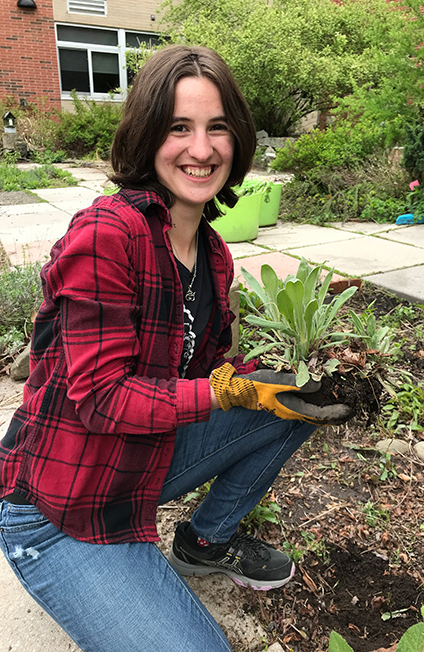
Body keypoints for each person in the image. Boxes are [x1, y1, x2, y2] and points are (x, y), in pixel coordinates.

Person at [0, 45, 353, 652]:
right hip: (61, 508)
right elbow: (104, 400)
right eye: (178, 128)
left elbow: (208, 371)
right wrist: (226, 390)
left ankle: (205, 542)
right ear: (146, 138)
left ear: (237, 139)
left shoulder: (213, 256)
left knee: (291, 399)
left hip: (138, 464)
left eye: (217, 127)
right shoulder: (106, 235)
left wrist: (289, 372)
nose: (201, 148)